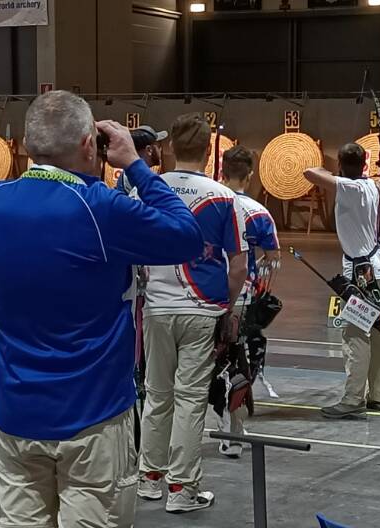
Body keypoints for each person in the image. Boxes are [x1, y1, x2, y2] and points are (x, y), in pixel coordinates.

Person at [0, 90, 204, 528]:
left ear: (26, 144)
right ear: (88, 146)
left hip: (17, 414)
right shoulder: (101, 210)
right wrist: (135, 164)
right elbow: (186, 234)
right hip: (92, 419)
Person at [139, 113, 248, 513]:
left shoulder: (149, 190)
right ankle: (182, 490)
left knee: (157, 394)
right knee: (189, 399)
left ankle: (150, 480)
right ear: (208, 152)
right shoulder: (223, 197)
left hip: (157, 308)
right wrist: (228, 308)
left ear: (169, 148)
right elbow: (238, 265)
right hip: (203, 309)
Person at [304, 142, 380, 420]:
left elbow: (309, 171)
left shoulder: (350, 187)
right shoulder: (369, 186)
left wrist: (336, 173)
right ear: (365, 163)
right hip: (376, 270)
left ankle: (354, 399)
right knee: (379, 330)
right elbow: (379, 185)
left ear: (341, 166)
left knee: (355, 333)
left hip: (360, 275)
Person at [217, 145, 280, 458]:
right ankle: (234, 434)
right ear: (251, 175)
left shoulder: (210, 202)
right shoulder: (259, 213)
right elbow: (272, 260)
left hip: (203, 294)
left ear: (222, 171)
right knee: (236, 363)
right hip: (240, 297)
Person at [116, 124, 167, 192]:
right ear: (149, 150)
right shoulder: (141, 178)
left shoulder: (131, 173)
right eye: (158, 147)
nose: (160, 150)